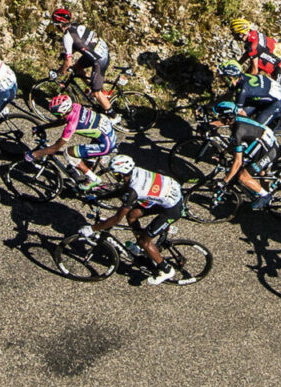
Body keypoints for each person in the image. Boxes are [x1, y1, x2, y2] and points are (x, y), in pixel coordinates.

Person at [72, 155, 188, 285]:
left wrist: (92, 228)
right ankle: (141, 245)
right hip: (170, 194)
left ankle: (166, 269)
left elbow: (116, 219)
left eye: (115, 173)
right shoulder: (135, 171)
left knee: (145, 241)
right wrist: (99, 198)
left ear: (120, 174)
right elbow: (123, 190)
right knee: (132, 215)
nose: (114, 175)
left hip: (172, 209)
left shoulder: (135, 190)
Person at [30, 91, 119, 192]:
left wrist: (34, 154)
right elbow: (62, 120)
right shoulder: (75, 106)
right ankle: (86, 178)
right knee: (80, 161)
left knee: (68, 153)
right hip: (107, 134)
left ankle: (94, 179)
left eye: (56, 114)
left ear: (63, 112)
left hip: (105, 144)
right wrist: (42, 127)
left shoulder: (72, 125)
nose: (55, 115)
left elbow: (54, 148)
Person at [50, 7, 112, 99]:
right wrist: (68, 53)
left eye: (55, 24)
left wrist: (58, 72)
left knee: (96, 93)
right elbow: (80, 43)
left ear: (59, 24)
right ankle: (96, 88)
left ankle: (111, 111)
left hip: (99, 59)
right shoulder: (77, 26)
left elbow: (68, 63)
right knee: (78, 67)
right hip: (101, 50)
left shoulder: (67, 37)